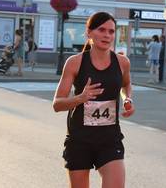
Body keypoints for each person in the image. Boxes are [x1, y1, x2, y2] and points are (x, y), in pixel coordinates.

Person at [52, 12, 135, 188]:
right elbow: (57, 104)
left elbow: (126, 85)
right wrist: (80, 98)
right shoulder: (75, 63)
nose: (107, 35)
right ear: (89, 32)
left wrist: (128, 99)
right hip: (80, 140)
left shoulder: (122, 62)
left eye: (111, 31)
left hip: (109, 139)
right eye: (101, 30)